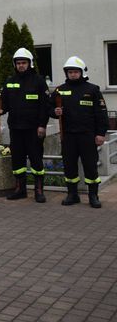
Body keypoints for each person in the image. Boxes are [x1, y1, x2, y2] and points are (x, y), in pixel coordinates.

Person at [50, 56, 108, 208]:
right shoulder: (60, 90)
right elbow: (49, 109)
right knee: (69, 166)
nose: (73, 74)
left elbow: (101, 113)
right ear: (66, 73)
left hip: (87, 136)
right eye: (70, 72)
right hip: (68, 136)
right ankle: (72, 194)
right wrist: (54, 111)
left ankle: (93, 196)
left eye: (76, 71)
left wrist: (101, 134)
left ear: (82, 72)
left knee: (90, 166)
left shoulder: (92, 90)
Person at [0, 48, 50, 202]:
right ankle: (20, 189)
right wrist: (0, 111)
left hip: (34, 129)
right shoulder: (10, 82)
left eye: (24, 63)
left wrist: (42, 125)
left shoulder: (39, 81)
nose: (21, 65)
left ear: (30, 64)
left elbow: (45, 107)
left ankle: (39, 191)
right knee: (18, 161)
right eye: (18, 63)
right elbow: (6, 105)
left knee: (36, 160)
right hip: (16, 128)